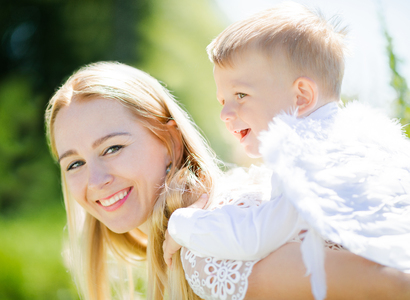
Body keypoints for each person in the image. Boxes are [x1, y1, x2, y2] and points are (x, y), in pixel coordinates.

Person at [45, 61, 410, 300]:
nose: (95, 180)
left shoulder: (207, 246)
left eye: (112, 149)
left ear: (170, 141)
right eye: (74, 163)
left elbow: (392, 282)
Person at [164, 2, 410, 300]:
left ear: (301, 96)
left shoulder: (305, 153)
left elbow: (258, 237)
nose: (226, 114)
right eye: (222, 101)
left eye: (240, 95)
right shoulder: (369, 139)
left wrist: (182, 224)